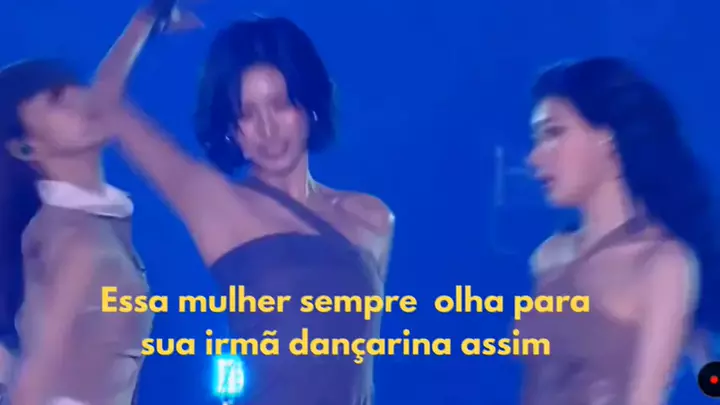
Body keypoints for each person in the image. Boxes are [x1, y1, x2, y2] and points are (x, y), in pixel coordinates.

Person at [105, 16, 394, 405]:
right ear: (231, 131)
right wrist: (148, 19)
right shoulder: (221, 205)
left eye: (280, 105)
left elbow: (361, 372)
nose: (268, 130)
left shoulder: (371, 219)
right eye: (246, 114)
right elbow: (104, 103)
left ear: (308, 106)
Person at [0, 0, 196, 401]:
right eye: (58, 99)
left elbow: (105, 94)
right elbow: (33, 386)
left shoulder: (87, 220)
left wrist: (146, 19)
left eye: (78, 88)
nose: (83, 100)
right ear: (24, 147)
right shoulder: (73, 238)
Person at [520, 57, 720, 405]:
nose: (534, 158)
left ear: (608, 139)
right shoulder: (549, 257)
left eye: (553, 133)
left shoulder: (663, 264)